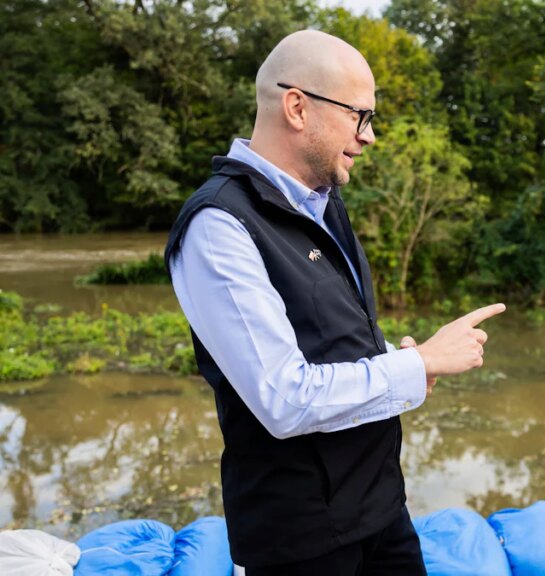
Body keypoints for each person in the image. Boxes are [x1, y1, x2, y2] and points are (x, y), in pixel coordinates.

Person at [164, 30, 504, 575]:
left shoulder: (323, 203)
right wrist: (417, 364)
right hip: (302, 542)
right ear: (297, 107)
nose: (369, 136)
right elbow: (283, 398)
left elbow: (328, 337)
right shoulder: (220, 225)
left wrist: (400, 359)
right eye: (360, 116)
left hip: (380, 512)